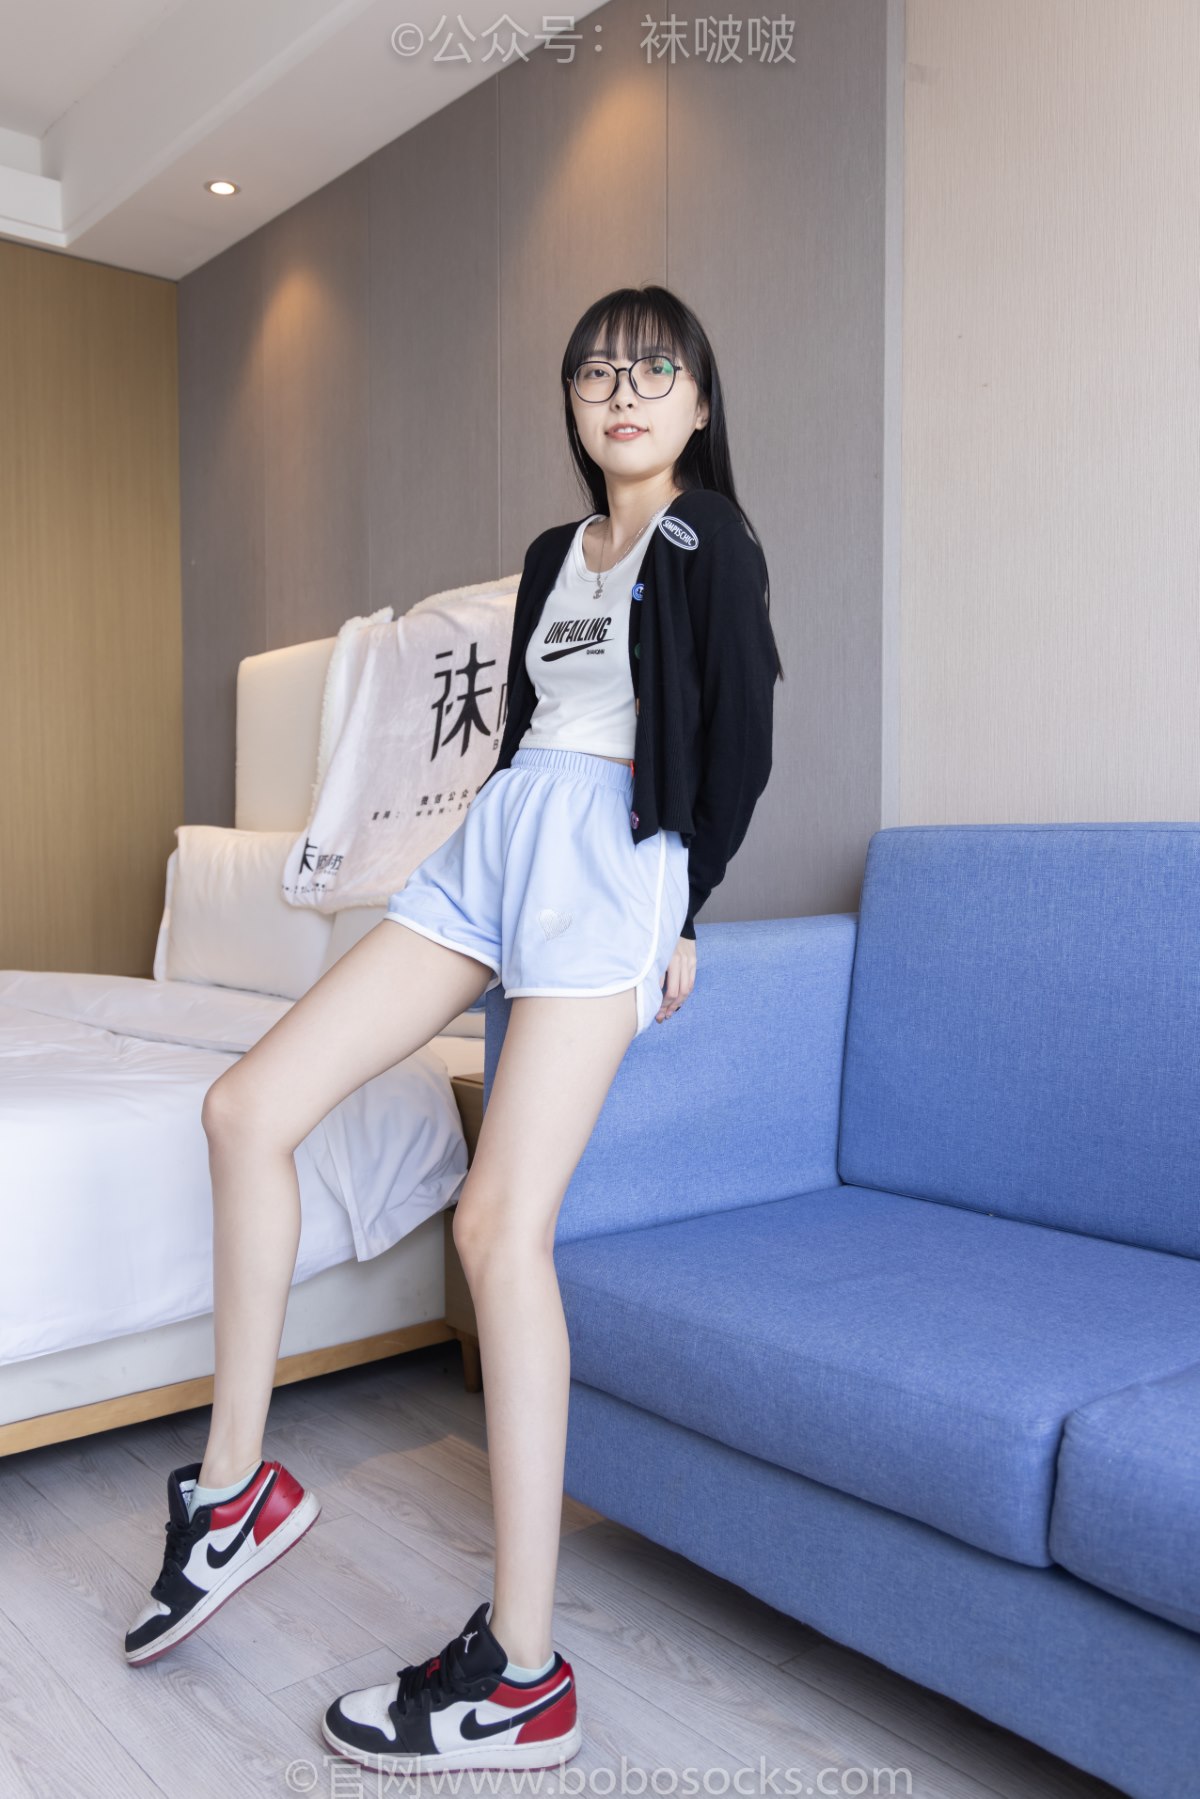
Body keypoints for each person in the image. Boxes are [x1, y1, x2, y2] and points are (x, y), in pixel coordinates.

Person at [122, 284, 783, 1776]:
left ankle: (526, 1672)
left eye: (654, 371)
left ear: (698, 402)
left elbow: (739, 749)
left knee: (496, 1230)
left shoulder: (708, 540)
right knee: (245, 1109)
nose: (623, 392)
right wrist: (480, 861)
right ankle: (233, 1496)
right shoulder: (555, 554)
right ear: (571, 405)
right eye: (597, 373)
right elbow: (521, 738)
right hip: (497, 849)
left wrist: (682, 915)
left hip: (610, 868)